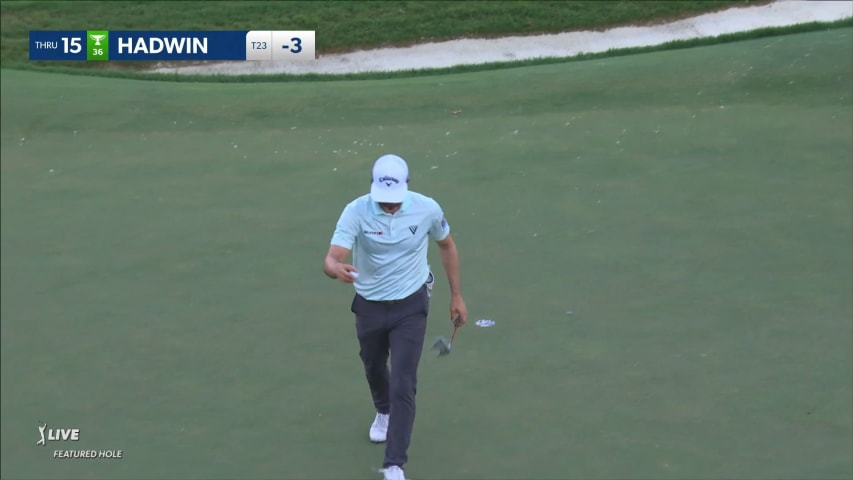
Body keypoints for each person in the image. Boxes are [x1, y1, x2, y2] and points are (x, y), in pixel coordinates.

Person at [323, 154, 468, 480]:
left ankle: (393, 465)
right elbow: (331, 259)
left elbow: (446, 246)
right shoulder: (356, 210)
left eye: (395, 201)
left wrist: (457, 295)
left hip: (411, 305)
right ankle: (383, 411)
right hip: (370, 304)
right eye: (384, 202)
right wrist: (336, 270)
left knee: (404, 381)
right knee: (373, 365)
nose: (390, 207)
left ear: (407, 188)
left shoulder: (427, 208)